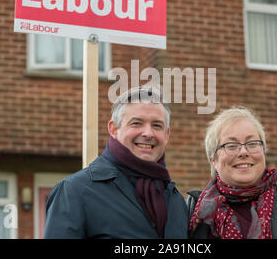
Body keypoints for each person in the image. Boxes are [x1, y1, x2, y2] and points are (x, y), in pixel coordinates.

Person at [44, 86, 188, 238]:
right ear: (113, 129)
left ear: (167, 134)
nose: (148, 133)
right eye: (136, 123)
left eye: (157, 125)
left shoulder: (175, 200)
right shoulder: (75, 191)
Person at [187, 106, 277, 239]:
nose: (243, 152)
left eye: (252, 143)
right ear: (214, 160)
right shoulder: (194, 208)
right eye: (231, 145)